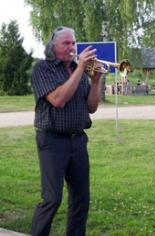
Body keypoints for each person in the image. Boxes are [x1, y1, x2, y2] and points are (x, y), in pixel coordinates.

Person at [30, 26, 103, 236]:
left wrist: (95, 81)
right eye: (66, 43)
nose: (71, 47)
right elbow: (58, 100)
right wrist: (80, 69)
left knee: (81, 198)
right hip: (52, 141)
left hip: (78, 140)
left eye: (73, 43)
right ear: (53, 46)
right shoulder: (42, 69)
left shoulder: (77, 69)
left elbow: (91, 107)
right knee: (52, 199)